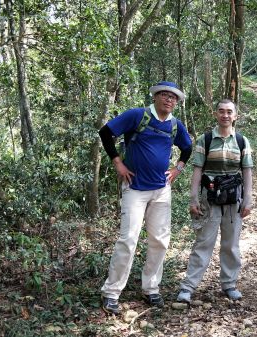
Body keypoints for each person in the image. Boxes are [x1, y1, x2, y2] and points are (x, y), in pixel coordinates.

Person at [97, 81, 193, 314]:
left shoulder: (175, 125)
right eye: (164, 95)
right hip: (135, 188)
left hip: (161, 190)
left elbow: (187, 148)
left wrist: (177, 169)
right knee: (127, 240)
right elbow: (105, 132)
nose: (169, 100)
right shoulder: (137, 116)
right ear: (155, 96)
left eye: (173, 97)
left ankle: (150, 288)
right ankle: (111, 292)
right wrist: (118, 162)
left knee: (159, 240)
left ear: (177, 103)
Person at [176, 99, 253, 303]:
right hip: (209, 198)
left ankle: (229, 284)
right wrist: (193, 200)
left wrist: (248, 199)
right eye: (221, 111)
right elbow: (197, 170)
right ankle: (188, 287)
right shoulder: (206, 139)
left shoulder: (242, 141)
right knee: (203, 243)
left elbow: (246, 170)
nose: (225, 115)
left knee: (231, 244)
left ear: (235, 116)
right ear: (216, 114)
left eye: (229, 112)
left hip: (233, 199)